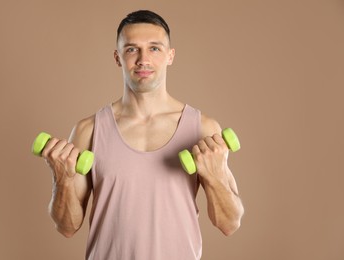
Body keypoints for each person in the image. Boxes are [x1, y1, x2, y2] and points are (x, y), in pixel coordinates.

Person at [41, 10, 244, 260]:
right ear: (117, 58)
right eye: (132, 49)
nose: (143, 60)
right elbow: (67, 227)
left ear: (171, 56)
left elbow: (229, 224)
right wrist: (63, 179)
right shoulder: (89, 131)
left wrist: (215, 177)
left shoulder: (203, 129)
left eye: (155, 49)